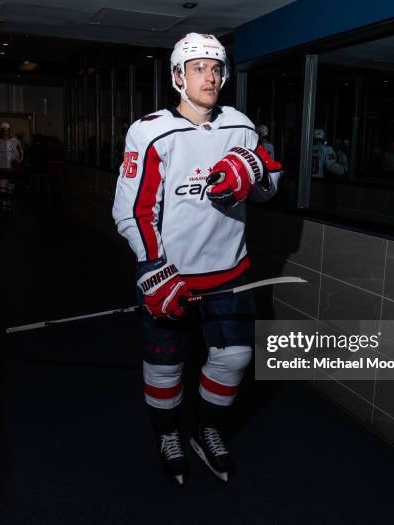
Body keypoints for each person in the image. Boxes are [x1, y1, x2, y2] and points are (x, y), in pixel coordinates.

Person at [112, 32, 283, 485]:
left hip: (231, 273)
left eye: (216, 68)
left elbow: (268, 190)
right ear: (177, 77)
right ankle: (167, 433)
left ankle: (207, 430)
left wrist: (255, 173)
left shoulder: (241, 125)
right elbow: (133, 211)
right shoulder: (150, 131)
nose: (209, 76)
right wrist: (154, 269)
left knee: (236, 358)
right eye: (198, 68)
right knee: (165, 366)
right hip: (170, 275)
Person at [0, 122, 23, 211]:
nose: (5, 132)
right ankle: (4, 203)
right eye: (3, 130)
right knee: (3, 188)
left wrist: (17, 161)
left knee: (10, 188)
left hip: (12, 169)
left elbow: (21, 154)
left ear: (9, 131)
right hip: (1, 169)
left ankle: (8, 201)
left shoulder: (15, 142)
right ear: (1, 131)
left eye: (7, 131)